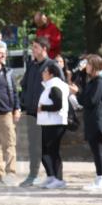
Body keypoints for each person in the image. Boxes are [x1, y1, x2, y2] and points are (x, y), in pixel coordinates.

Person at [18, 36, 51, 187]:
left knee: (46, 146)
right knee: (33, 145)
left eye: (36, 47)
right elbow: (24, 85)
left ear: (44, 49)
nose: (33, 50)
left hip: (46, 113)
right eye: (33, 47)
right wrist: (23, 101)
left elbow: (59, 88)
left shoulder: (51, 65)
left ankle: (53, 176)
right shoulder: (32, 65)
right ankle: (33, 174)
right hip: (31, 112)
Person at [0, 43, 20, 186]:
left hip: (6, 114)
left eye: (4, 53)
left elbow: (14, 92)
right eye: (0, 53)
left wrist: (17, 108)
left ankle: (11, 173)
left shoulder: (8, 72)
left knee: (10, 144)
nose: (3, 55)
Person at [79, 55, 102, 191]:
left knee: (98, 151)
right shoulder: (91, 81)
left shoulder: (99, 82)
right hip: (92, 120)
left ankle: (100, 180)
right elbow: (83, 99)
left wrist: (78, 96)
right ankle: (98, 178)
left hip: (98, 121)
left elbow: (91, 101)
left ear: (95, 66)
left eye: (88, 64)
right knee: (95, 150)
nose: (86, 66)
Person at [36, 61, 70, 189]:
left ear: (51, 74)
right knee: (45, 150)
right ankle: (51, 176)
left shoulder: (54, 86)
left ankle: (58, 178)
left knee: (53, 151)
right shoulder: (49, 86)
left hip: (54, 123)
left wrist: (43, 107)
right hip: (48, 123)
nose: (43, 74)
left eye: (45, 72)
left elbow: (58, 104)